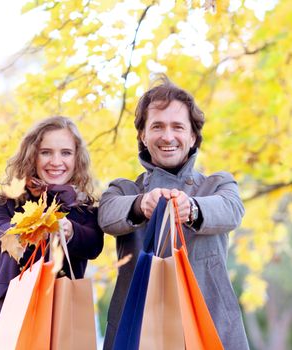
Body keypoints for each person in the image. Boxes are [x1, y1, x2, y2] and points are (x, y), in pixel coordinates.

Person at [98, 75, 249, 350]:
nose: (168, 136)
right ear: (143, 135)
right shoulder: (123, 189)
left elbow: (232, 210)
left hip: (209, 326)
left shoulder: (217, 184)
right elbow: (107, 215)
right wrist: (141, 205)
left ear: (193, 137)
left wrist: (191, 208)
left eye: (178, 126)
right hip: (138, 329)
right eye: (157, 126)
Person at [0, 116, 104, 349]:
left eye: (66, 153)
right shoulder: (4, 203)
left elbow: (94, 244)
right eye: (46, 152)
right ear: (32, 155)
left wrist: (70, 231)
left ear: (76, 158)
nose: (56, 161)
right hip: (12, 311)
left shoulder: (84, 209)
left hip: (64, 314)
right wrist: (32, 228)